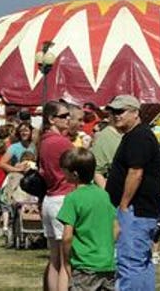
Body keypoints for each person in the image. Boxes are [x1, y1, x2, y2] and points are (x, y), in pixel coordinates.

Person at [102, 94, 160, 290]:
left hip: (136, 210)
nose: (115, 115)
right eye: (113, 111)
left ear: (136, 113)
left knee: (129, 263)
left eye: (121, 111)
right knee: (142, 262)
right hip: (141, 211)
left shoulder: (139, 136)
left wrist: (124, 205)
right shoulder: (136, 135)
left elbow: (136, 172)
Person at [57, 148, 117, 291]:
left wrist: (66, 262)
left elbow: (67, 237)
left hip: (84, 265)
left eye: (64, 170)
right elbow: (116, 228)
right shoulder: (104, 195)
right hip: (107, 264)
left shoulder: (72, 198)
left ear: (74, 174)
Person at [38, 100, 77, 291]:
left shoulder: (44, 140)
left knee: (54, 259)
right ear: (51, 119)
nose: (68, 119)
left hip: (50, 199)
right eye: (63, 116)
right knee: (65, 261)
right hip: (63, 197)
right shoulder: (62, 142)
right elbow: (79, 165)